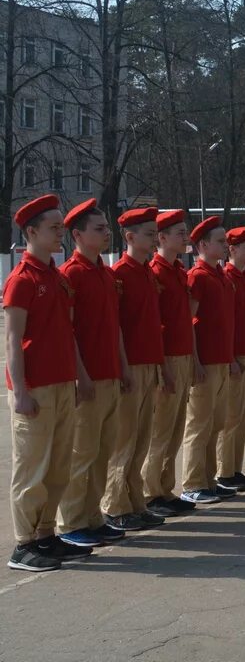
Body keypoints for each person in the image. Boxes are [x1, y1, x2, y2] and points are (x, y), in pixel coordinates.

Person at [5, 195, 92, 571]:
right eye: (54, 228)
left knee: (58, 467)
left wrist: (78, 376)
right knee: (32, 469)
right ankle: (24, 544)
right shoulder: (21, 280)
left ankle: (46, 535)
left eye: (61, 226)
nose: (61, 233)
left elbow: (68, 334)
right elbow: (12, 339)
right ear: (31, 232)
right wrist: (20, 391)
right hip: (35, 388)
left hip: (61, 384)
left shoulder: (55, 278)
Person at [57, 199, 140, 548]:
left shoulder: (106, 274)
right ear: (77, 235)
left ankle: (93, 517)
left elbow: (116, 327)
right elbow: (68, 331)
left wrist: (122, 365)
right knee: (82, 452)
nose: (106, 234)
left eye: (106, 228)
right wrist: (80, 375)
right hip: (87, 380)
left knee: (104, 450)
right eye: (99, 229)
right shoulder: (70, 275)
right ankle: (73, 521)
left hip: (110, 374)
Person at [112, 208, 173, 522]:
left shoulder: (146, 272)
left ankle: (136, 502)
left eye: (154, 234)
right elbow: (118, 327)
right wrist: (123, 367)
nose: (153, 240)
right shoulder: (119, 274)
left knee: (141, 439)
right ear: (129, 237)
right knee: (124, 439)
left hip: (150, 363)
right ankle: (116, 506)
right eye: (149, 234)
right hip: (131, 366)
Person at [143, 210, 198, 517]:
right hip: (166, 359)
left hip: (183, 356)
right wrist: (163, 366)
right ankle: (151, 492)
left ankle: (165, 488)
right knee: (160, 431)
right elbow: (156, 325)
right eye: (179, 232)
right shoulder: (157, 272)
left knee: (175, 429)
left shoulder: (177, 270)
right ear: (161, 238)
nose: (184, 236)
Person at [181, 216, 237, 504]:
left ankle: (208, 479)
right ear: (202, 245)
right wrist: (195, 361)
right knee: (199, 425)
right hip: (204, 363)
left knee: (216, 423)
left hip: (221, 360)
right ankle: (192, 483)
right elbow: (189, 322)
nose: (225, 244)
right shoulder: (198, 276)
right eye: (219, 240)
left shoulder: (221, 276)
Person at [216, 226, 245, 492]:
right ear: (232, 250)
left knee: (244, 415)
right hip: (233, 357)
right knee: (231, 418)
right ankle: (224, 471)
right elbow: (226, 323)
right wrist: (231, 356)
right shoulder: (229, 278)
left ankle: (234, 468)